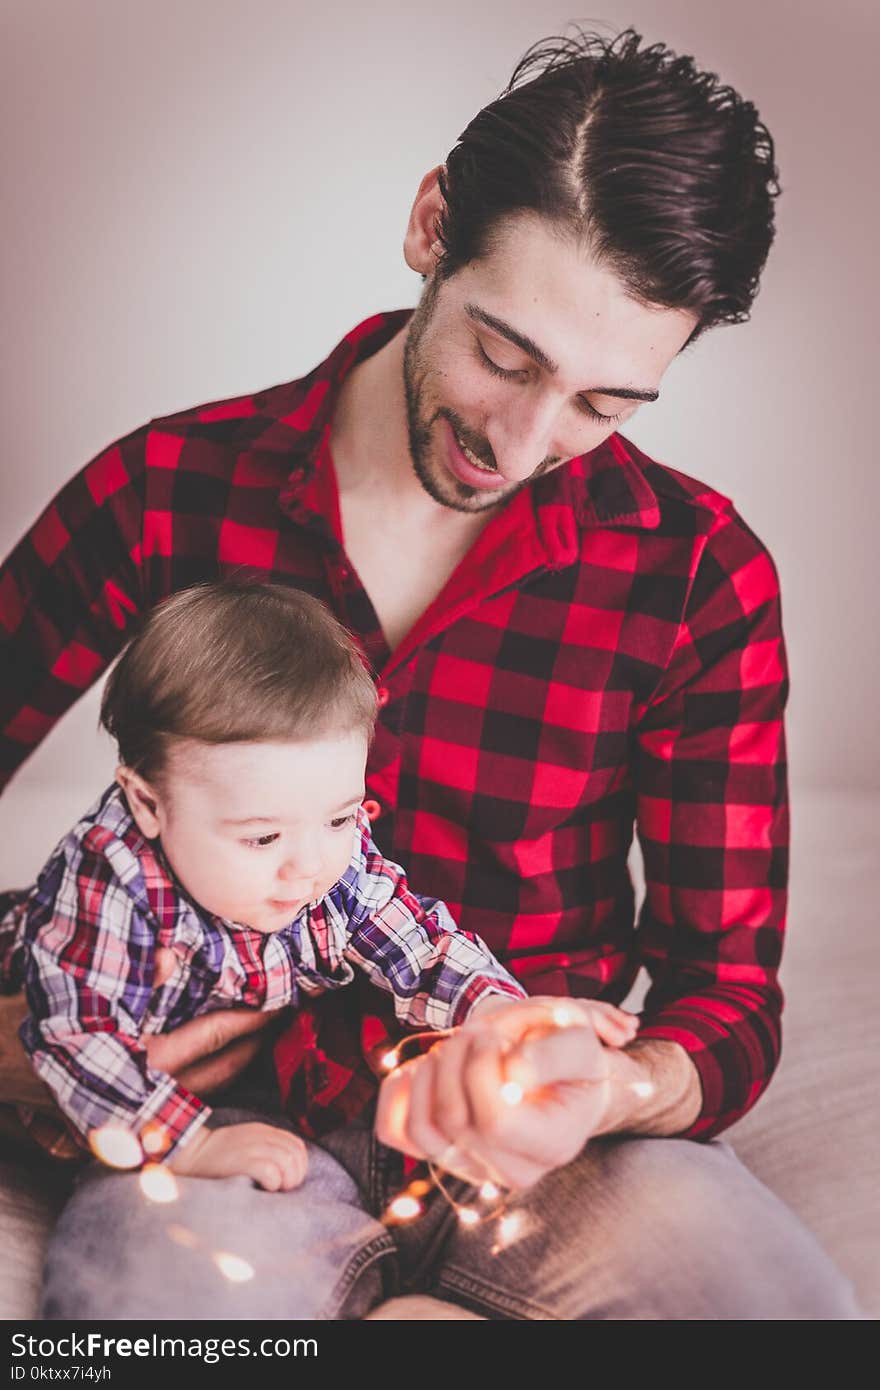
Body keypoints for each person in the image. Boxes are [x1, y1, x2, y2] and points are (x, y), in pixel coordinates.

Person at [0, 28, 864, 1317]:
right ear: (429, 227)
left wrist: (614, 1085)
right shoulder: (166, 490)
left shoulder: (699, 577)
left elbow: (723, 995)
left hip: (558, 1158)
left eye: (601, 406)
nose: (522, 441)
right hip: (213, 1138)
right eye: (503, 356)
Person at [4, 577, 556, 1188]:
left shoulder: (329, 858)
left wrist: (500, 1014)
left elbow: (422, 948)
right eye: (262, 837)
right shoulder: (111, 877)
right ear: (148, 804)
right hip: (45, 1016)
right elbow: (76, 1034)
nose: (309, 865)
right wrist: (188, 1144)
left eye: (341, 816)